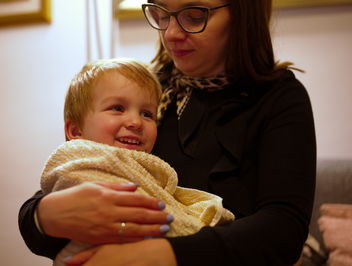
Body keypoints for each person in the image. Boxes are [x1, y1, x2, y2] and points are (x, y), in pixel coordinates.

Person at [19, 0, 317, 265]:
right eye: (161, 13)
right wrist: (43, 217)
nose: (171, 33)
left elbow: (284, 230)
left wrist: (159, 256)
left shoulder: (279, 98)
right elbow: (77, 171)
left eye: (194, 15)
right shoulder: (145, 90)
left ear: (242, 13)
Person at [39, 58, 234, 265]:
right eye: (117, 108)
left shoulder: (145, 169)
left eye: (146, 114)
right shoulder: (78, 162)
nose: (135, 122)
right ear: (76, 131)